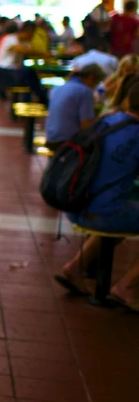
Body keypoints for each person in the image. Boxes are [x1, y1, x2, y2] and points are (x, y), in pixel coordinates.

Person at [54, 84, 139, 310]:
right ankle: (127, 287)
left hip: (75, 204)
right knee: (118, 209)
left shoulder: (107, 120)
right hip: (101, 213)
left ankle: (74, 267)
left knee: (118, 208)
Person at [45, 63, 106, 147]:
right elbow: (86, 125)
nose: (95, 87)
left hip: (50, 138)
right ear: (91, 78)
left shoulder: (58, 88)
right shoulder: (85, 91)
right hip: (67, 142)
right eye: (96, 83)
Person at [0, 21, 45, 104]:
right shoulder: (11, 39)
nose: (32, 37)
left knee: (29, 76)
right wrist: (42, 53)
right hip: (5, 72)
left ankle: (33, 101)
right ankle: (40, 98)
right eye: (32, 34)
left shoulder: (23, 41)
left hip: (13, 71)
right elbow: (24, 50)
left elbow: (29, 50)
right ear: (28, 32)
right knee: (30, 74)